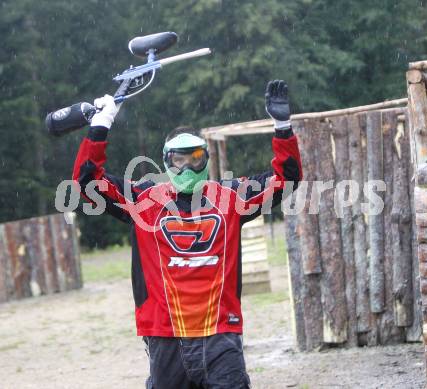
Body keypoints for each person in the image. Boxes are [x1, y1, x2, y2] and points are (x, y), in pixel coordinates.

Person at [72, 80, 302, 388]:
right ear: (166, 161)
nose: (187, 167)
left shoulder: (231, 198)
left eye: (195, 158)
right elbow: (87, 183)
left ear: (206, 158)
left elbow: (287, 179)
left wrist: (282, 126)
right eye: (178, 160)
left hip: (220, 334)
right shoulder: (143, 201)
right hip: (165, 337)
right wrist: (101, 125)